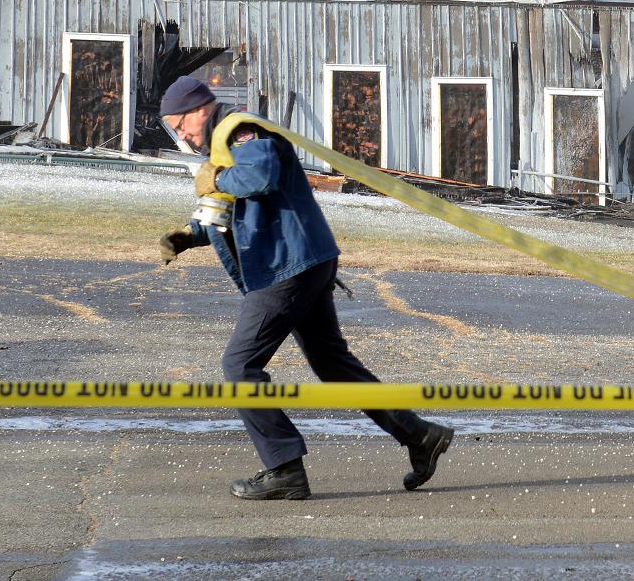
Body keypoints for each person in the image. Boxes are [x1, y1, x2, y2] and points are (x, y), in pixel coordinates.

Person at [155, 75, 454, 501]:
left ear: (199, 108)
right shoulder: (222, 144)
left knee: (240, 367)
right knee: (332, 363)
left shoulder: (240, 131)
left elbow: (260, 177)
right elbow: (230, 211)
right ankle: (419, 435)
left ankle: (283, 469)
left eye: (180, 124)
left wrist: (216, 180)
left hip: (287, 267)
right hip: (305, 259)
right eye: (174, 129)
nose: (180, 134)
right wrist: (189, 235)